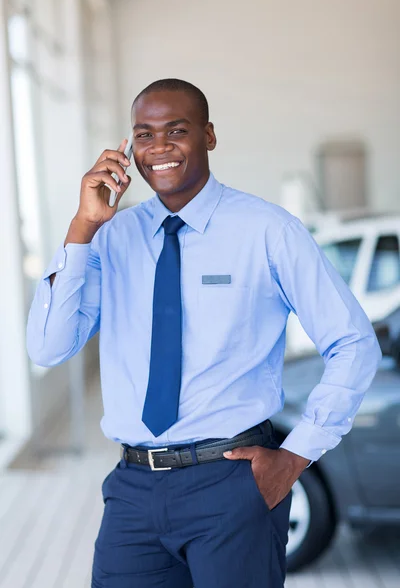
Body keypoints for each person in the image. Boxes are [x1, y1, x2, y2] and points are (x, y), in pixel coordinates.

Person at [27, 78, 381, 588]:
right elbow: (47, 346)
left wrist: (297, 454)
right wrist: (81, 227)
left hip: (232, 484)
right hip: (133, 490)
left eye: (177, 130)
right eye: (144, 134)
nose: (159, 147)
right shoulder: (111, 238)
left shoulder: (267, 231)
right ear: (128, 148)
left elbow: (353, 342)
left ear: (209, 136)